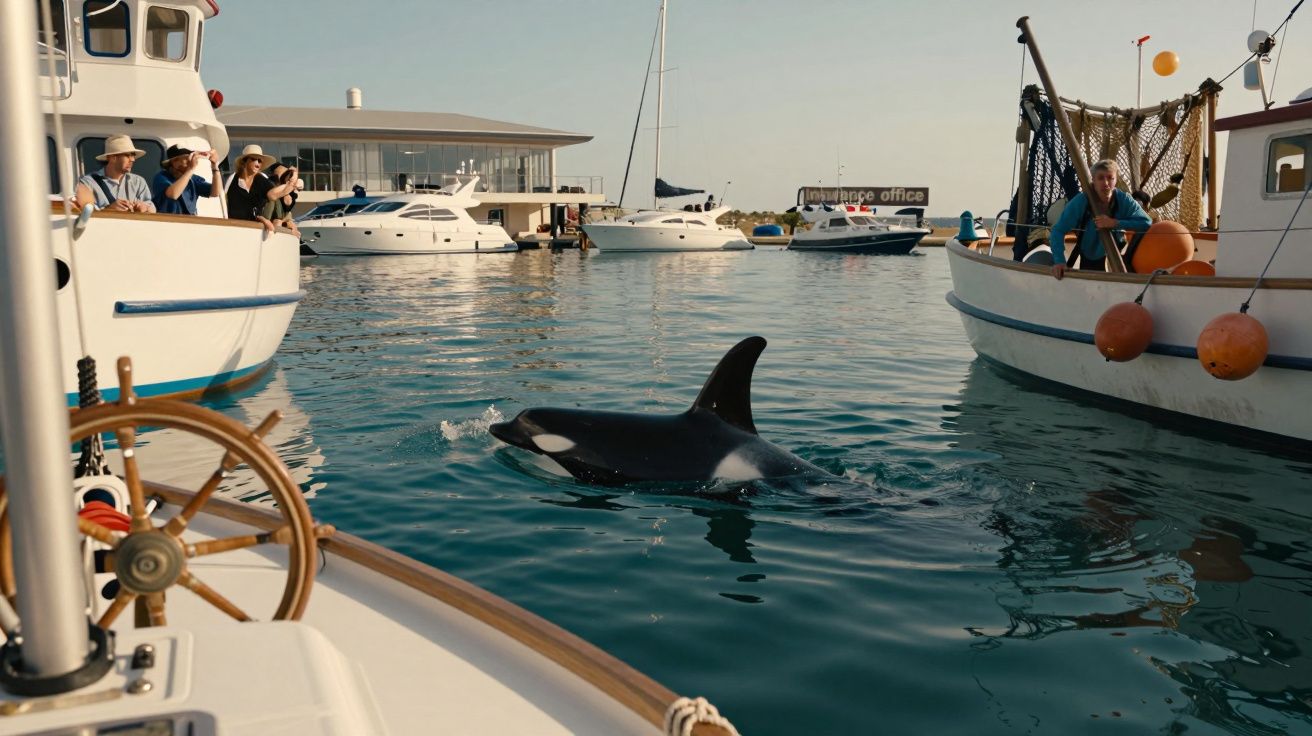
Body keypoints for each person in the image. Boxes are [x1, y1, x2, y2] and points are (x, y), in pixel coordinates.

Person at [1048, 159, 1151, 279]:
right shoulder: (1081, 201)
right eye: (1101, 178)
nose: (1106, 183)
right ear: (1093, 180)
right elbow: (1058, 230)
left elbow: (1146, 223)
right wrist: (1060, 261)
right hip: (1090, 255)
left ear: (1116, 180)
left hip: (1117, 254)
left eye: (1110, 178)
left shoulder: (1124, 200)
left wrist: (1115, 223)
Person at [74, 134, 156, 213]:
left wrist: (145, 208)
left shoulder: (139, 182)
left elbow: (152, 208)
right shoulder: (87, 183)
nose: (133, 159)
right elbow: (84, 213)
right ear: (113, 158)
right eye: (128, 155)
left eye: (133, 155)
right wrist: (108, 210)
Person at [225, 144, 295, 231]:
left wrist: (291, 182)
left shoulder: (261, 178)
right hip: (234, 226)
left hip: (255, 227)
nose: (258, 163)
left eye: (260, 161)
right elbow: (224, 203)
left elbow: (272, 195)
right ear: (244, 161)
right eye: (254, 159)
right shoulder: (233, 179)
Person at [151, 144, 219, 215]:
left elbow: (215, 192)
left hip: (189, 220)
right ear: (174, 161)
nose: (190, 160)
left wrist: (215, 166)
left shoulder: (193, 179)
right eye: (187, 158)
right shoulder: (161, 177)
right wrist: (190, 169)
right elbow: (173, 194)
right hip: (167, 219)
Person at [262, 162, 301, 236]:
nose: (288, 177)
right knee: (279, 221)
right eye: (286, 174)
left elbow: (288, 204)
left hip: (278, 218)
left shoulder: (290, 192)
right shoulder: (269, 184)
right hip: (268, 218)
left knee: (287, 221)